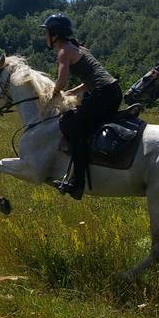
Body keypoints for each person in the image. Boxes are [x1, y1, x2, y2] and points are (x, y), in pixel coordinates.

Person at [42, 14, 121, 200]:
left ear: (54, 34)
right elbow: (88, 81)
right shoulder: (78, 48)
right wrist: (71, 93)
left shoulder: (63, 52)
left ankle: (78, 184)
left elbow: (61, 81)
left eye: (46, 32)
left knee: (75, 128)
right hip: (112, 91)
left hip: (102, 94)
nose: (45, 36)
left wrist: (52, 96)